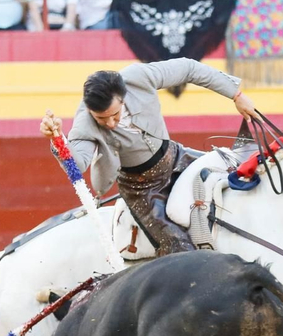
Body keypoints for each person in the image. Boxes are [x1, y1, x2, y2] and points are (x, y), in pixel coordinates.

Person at [43, 60, 256, 254]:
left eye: (114, 115)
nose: (110, 124)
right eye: (101, 119)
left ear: (124, 96)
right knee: (181, 252)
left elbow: (189, 69)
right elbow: (78, 166)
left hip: (177, 158)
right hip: (142, 190)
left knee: (242, 175)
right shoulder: (84, 123)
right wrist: (58, 140)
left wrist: (236, 95)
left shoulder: (138, 77)